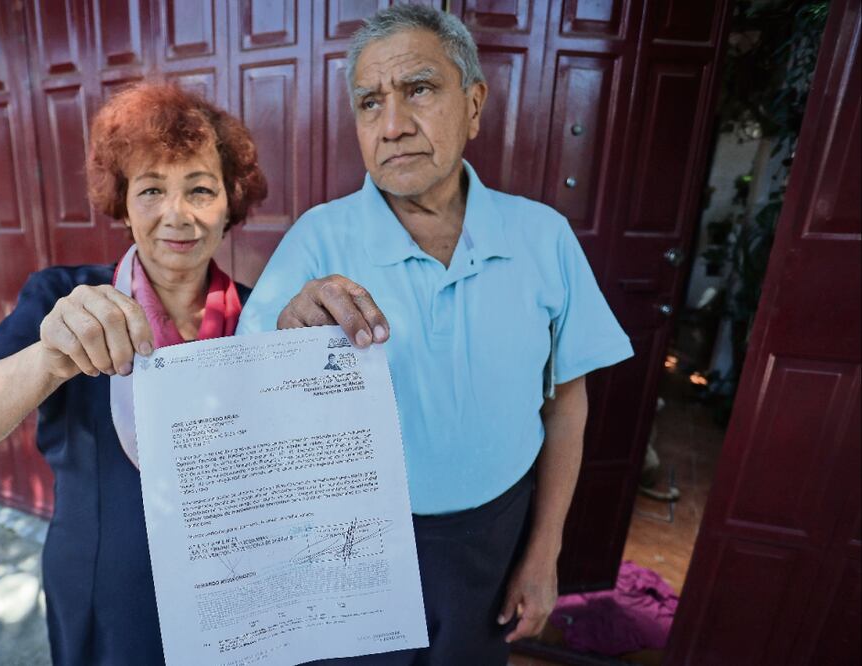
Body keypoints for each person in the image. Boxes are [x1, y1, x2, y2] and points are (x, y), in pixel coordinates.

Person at [237, 5, 633, 665]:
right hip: (353, 544)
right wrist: (288, 331)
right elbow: (251, 394)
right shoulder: (318, 239)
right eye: (370, 103)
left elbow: (566, 403)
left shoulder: (542, 238)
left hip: (493, 536)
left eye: (419, 89)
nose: (393, 125)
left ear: (473, 105)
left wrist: (544, 553)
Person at [0, 83, 267, 665]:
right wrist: (49, 358)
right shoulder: (66, 302)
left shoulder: (261, 319)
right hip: (108, 604)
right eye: (152, 189)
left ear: (229, 204)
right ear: (124, 204)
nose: (176, 215)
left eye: (200, 189)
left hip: (236, 592)